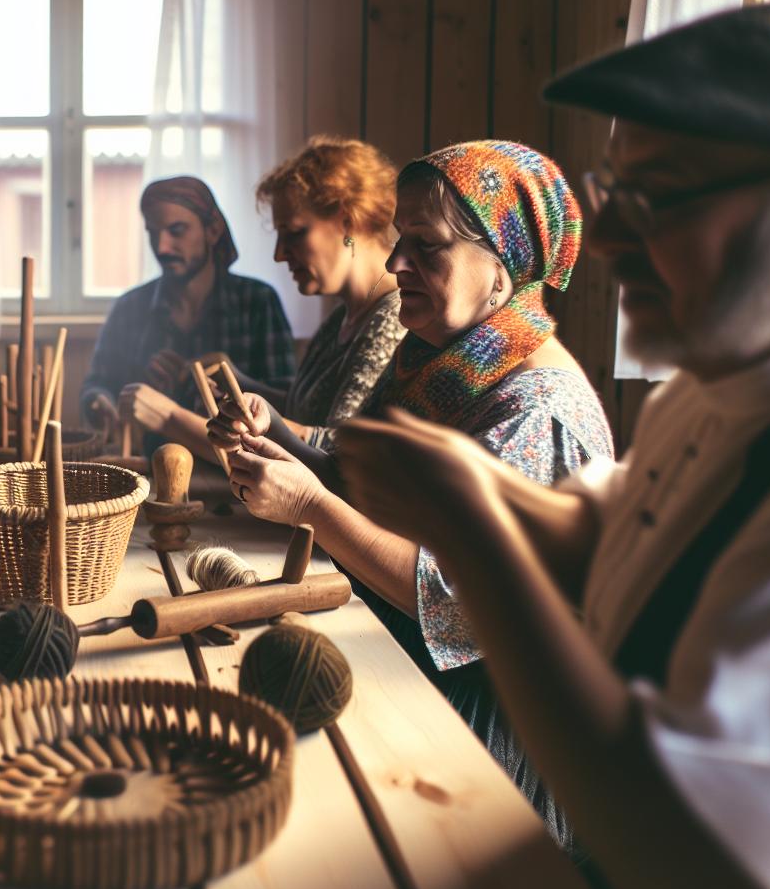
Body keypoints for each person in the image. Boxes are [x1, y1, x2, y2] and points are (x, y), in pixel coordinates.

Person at [334, 3, 770, 889]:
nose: (602, 240)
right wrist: (473, 485)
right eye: (612, 196)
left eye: (663, 199)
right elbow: (621, 536)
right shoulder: (735, 380)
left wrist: (468, 525)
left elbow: (684, 857)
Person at [209, 140, 612, 852]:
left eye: (426, 247)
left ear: (505, 264)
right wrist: (285, 449)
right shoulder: (451, 366)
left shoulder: (536, 410)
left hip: (490, 745)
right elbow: (374, 474)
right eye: (400, 241)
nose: (397, 266)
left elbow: (454, 602)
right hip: (413, 676)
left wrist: (309, 506)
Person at [122, 138, 407, 456]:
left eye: (295, 233)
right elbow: (303, 410)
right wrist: (238, 381)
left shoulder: (392, 317)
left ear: (349, 221)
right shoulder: (343, 319)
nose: (279, 254)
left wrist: (169, 416)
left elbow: (338, 452)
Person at [81, 176, 296, 444]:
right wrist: (101, 404)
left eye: (177, 230)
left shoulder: (258, 303)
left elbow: (290, 405)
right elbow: (96, 386)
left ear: (213, 230)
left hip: (235, 473)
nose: (162, 247)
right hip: (147, 466)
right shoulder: (129, 308)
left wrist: (233, 384)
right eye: (153, 232)